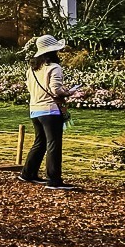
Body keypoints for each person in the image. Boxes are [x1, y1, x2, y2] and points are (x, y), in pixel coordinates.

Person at [20, 34, 75, 191]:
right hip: (50, 110)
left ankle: (28, 173)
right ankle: (54, 180)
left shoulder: (32, 69)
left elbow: (32, 89)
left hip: (35, 109)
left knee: (40, 142)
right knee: (53, 144)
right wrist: (69, 92)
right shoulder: (54, 67)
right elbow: (55, 90)